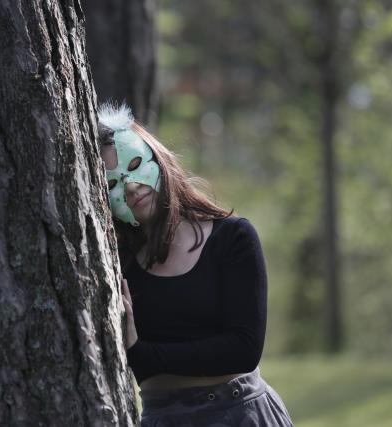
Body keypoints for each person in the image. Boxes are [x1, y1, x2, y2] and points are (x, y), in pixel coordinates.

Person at [98, 102, 294, 426]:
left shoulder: (232, 237)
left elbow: (243, 349)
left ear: (157, 158)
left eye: (135, 165)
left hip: (242, 415)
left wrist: (142, 352)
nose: (131, 187)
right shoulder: (116, 265)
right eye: (113, 184)